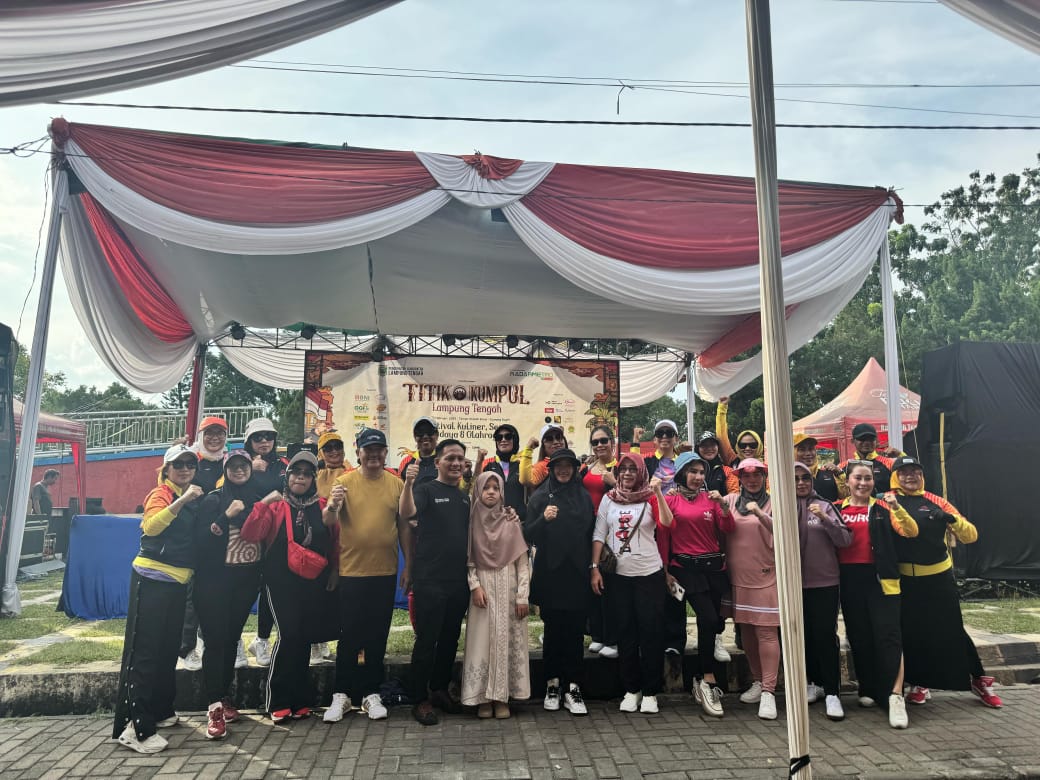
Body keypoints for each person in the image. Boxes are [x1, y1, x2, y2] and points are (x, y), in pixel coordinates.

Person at [889, 456, 1003, 709]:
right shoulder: (888, 499)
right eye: (904, 472)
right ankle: (920, 682)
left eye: (915, 472)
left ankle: (979, 680)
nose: (910, 476)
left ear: (922, 475)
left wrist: (951, 520)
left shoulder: (936, 500)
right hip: (906, 579)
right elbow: (903, 530)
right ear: (896, 475)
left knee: (953, 629)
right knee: (912, 631)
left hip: (938, 577)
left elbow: (970, 535)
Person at [112, 444, 203, 754]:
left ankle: (161, 710)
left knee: (167, 650)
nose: (185, 469)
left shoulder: (191, 495)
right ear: (166, 469)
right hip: (151, 581)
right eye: (179, 465)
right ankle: (136, 728)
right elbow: (150, 527)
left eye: (190, 464)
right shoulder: (161, 494)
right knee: (146, 654)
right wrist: (184, 500)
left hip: (178, 583)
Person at [241, 450, 340, 724]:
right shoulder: (276, 505)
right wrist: (262, 503)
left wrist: (335, 571)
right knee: (288, 634)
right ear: (288, 475)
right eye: (297, 472)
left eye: (307, 474)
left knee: (304, 636)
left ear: (313, 479)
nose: (301, 478)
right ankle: (278, 699)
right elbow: (251, 534)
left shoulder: (321, 505)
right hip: (279, 581)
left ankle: (300, 698)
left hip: (313, 580)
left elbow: (334, 541)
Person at [323, 428, 411, 723]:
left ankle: (371, 693)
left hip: (384, 571)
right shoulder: (344, 482)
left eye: (378, 450)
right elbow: (328, 520)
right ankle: (341, 694)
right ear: (358, 452)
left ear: (385, 452)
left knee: (377, 635)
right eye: (367, 450)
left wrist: (408, 564)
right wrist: (333, 504)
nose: (373, 455)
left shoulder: (396, 484)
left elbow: (404, 527)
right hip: (351, 572)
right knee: (349, 635)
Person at [837, 460, 918, 729]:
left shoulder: (884, 506)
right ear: (847, 481)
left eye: (868, 479)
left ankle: (895, 695)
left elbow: (910, 531)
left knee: (889, 636)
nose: (863, 483)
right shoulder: (838, 509)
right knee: (859, 636)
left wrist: (897, 508)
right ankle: (868, 688)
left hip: (882, 580)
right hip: (849, 580)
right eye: (858, 478)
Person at [656, 452, 734, 718]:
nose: (698, 477)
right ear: (681, 474)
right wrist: (665, 571)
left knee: (714, 623)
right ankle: (706, 679)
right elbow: (664, 536)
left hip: (714, 568)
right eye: (693, 472)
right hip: (686, 568)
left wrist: (723, 505)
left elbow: (728, 527)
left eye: (702, 472)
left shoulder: (710, 498)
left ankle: (700, 677)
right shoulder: (671, 500)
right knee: (708, 618)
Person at [399, 439, 472, 726]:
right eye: (450, 458)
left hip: (458, 580)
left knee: (450, 639)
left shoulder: (465, 497)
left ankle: (440, 689)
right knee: (427, 640)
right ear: (439, 462)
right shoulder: (426, 489)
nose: (456, 463)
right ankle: (420, 698)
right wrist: (407, 484)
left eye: (460, 459)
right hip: (430, 579)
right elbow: (406, 514)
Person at [194, 450, 264, 739]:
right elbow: (200, 541)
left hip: (245, 583)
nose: (239, 470)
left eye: (243, 466)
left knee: (231, 639)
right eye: (233, 466)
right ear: (226, 470)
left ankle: (224, 697)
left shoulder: (257, 499)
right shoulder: (213, 499)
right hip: (213, 583)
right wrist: (225, 516)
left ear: (250, 469)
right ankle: (214, 706)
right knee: (215, 642)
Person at [591, 453, 667, 714]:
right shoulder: (608, 499)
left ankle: (650, 691)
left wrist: (658, 495)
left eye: (632, 469)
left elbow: (667, 524)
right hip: (618, 577)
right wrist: (594, 568)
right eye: (622, 469)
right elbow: (599, 533)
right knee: (625, 633)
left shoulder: (650, 497)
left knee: (651, 633)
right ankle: (631, 689)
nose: (626, 474)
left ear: (641, 472)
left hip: (649, 575)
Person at [525, 448, 595, 717]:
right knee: (553, 632)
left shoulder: (583, 496)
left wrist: (592, 568)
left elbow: (591, 534)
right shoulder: (541, 496)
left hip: (577, 574)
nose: (563, 470)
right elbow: (527, 533)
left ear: (575, 469)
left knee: (575, 633)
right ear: (551, 469)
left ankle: (573, 688)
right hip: (551, 574)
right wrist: (544, 518)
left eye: (568, 466)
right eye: (558, 466)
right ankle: (552, 684)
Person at [461, 472, 531, 718]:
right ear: (478, 491)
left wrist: (522, 596)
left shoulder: (511, 521)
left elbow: (523, 562)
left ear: (502, 492)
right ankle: (482, 698)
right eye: (486, 487)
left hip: (508, 586)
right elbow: (468, 558)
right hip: (483, 589)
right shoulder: (471, 520)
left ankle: (502, 697)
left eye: (496, 488)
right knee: (482, 641)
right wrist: (474, 586)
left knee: (506, 639)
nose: (491, 492)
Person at [720, 458, 781, 720]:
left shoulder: (773, 502)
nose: (752, 480)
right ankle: (757, 681)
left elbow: (781, 533)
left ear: (764, 477)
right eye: (746, 476)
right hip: (737, 578)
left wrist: (759, 513)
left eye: (757, 475)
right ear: (739, 478)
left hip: (766, 577)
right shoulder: (731, 500)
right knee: (746, 632)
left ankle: (769, 691)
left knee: (766, 632)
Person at [794, 461, 852, 722]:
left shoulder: (826, 505)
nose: (801, 483)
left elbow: (845, 539)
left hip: (824, 582)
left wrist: (825, 519)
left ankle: (832, 692)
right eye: (795, 479)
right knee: (802, 636)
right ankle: (812, 683)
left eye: (805, 478)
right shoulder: (781, 505)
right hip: (793, 584)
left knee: (825, 635)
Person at [243, 417, 287, 668]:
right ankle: (237, 642)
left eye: (268, 437)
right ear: (249, 440)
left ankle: (261, 640)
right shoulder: (239, 463)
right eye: (258, 438)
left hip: (276, 535)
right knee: (243, 588)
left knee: (269, 589)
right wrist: (251, 472)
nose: (264, 442)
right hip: (247, 533)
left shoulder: (283, 464)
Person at [579, 425, 619, 659]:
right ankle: (598, 634)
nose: (600, 445)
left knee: (611, 583)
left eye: (604, 440)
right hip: (588, 529)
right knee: (592, 580)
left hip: (612, 530)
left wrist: (614, 483)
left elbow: (633, 494)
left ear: (612, 442)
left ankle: (614, 638)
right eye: (595, 442)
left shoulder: (621, 466)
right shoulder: (585, 469)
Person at [476, 423, 525, 517]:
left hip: (518, 522)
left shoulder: (523, 464)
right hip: (493, 522)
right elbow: (476, 489)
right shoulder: (487, 464)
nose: (503, 440)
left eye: (508, 436)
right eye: (499, 437)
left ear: (515, 440)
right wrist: (478, 463)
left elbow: (532, 493)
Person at [838, 424, 898, 497]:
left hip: (885, 507)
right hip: (855, 507)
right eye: (862, 439)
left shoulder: (890, 463)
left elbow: (904, 490)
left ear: (876, 441)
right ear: (852, 441)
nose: (867, 442)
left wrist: (880, 497)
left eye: (871, 439)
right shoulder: (842, 467)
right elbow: (840, 494)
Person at [715, 396, 765, 467]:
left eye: (753, 445)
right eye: (742, 445)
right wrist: (722, 408)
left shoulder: (768, 467)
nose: (747, 448)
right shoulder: (733, 461)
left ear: (759, 446)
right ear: (738, 446)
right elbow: (721, 437)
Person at [793, 433, 841, 502]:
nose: (808, 453)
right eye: (802, 450)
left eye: (811, 449)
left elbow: (845, 496)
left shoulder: (829, 474)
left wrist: (839, 473)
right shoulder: (785, 479)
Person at [519, 423, 568, 490]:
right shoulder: (542, 466)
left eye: (558, 437)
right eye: (549, 439)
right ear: (543, 447)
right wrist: (528, 449)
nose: (556, 442)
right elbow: (526, 480)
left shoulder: (573, 464)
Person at [398, 416, 440, 486]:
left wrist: (465, 478)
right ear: (415, 437)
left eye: (429, 431)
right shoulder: (406, 462)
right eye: (420, 432)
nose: (425, 436)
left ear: (437, 435)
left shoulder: (446, 459)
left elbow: (458, 486)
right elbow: (399, 490)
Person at [193, 417, 229, 493]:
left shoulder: (230, 461)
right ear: (201, 436)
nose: (215, 438)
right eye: (209, 433)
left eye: (220, 433)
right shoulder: (191, 461)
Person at [316, 431, 349, 498]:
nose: (334, 451)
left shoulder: (351, 471)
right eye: (328, 448)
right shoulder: (314, 474)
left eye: (338, 446)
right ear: (320, 453)